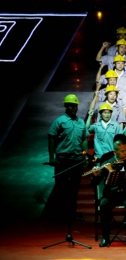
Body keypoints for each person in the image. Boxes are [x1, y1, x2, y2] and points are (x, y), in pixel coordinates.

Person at [43, 94, 89, 224]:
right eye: (71, 105)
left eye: (75, 106)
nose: (74, 108)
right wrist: (51, 157)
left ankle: (72, 213)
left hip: (77, 160)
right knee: (61, 188)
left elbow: (84, 139)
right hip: (63, 159)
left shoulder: (81, 122)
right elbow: (51, 139)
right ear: (65, 106)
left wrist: (85, 155)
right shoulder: (59, 121)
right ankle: (59, 214)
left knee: (74, 188)